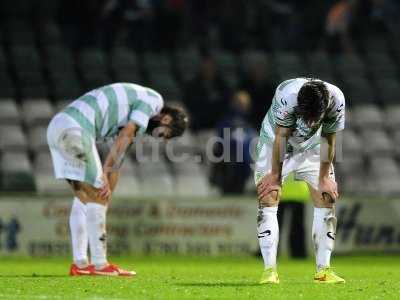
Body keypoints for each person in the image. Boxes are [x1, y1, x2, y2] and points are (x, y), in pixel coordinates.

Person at [47, 82, 188, 276]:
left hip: (59, 126)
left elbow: (119, 154)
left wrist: (107, 193)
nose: (159, 137)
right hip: (76, 128)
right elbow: (126, 134)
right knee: (96, 196)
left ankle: (80, 264)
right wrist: (104, 176)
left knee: (84, 199)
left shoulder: (127, 114)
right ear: (165, 118)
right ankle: (100, 264)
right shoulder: (154, 101)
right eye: (165, 134)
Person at [254, 78, 346, 284]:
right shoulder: (287, 95)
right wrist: (275, 176)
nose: (312, 123)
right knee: (269, 196)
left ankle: (324, 271)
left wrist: (324, 178)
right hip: (274, 144)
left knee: (326, 197)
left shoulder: (337, 100)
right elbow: (281, 136)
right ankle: (269, 271)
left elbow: (328, 139)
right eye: (307, 116)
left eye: (316, 118)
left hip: (311, 148)